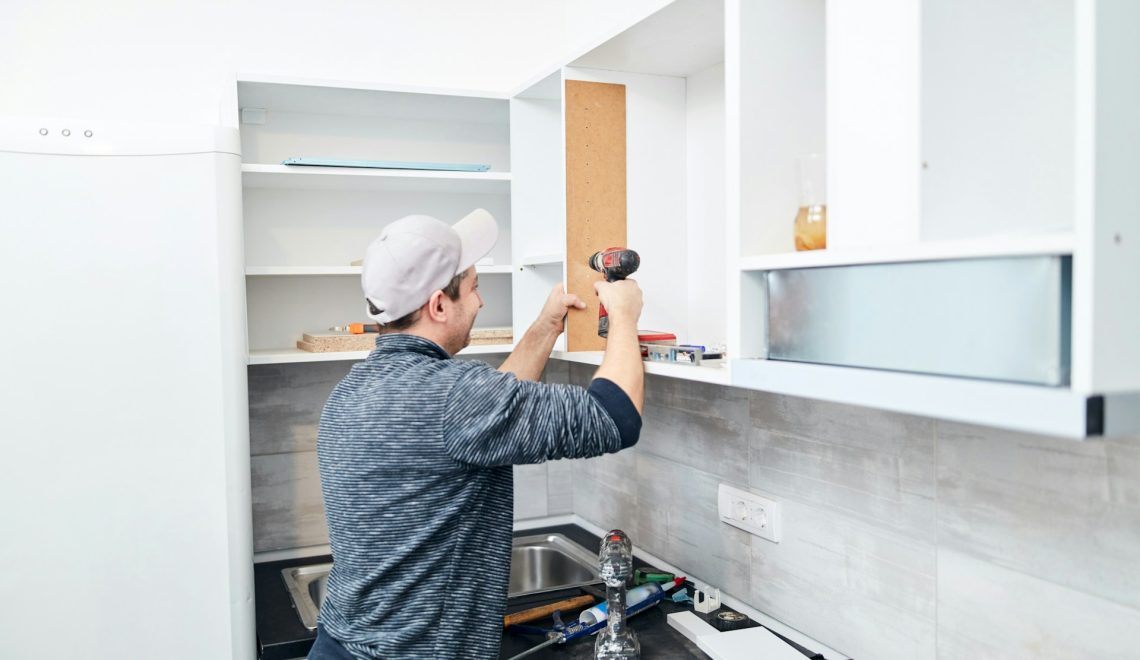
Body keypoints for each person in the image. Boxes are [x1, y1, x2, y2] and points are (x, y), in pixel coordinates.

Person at [310, 208, 645, 659]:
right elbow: (615, 416)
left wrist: (546, 327)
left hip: (338, 644)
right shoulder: (455, 396)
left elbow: (485, 416)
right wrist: (625, 317)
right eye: (474, 288)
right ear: (439, 306)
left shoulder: (351, 391)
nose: (480, 302)